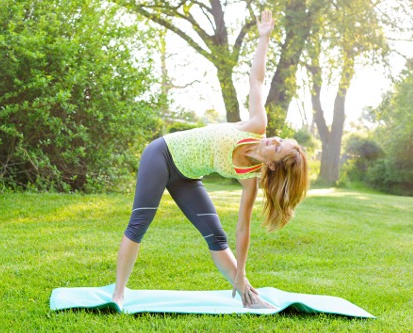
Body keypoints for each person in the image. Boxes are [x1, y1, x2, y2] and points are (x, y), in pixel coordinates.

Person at [112, 9, 309, 309]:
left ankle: (248, 296)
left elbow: (242, 229)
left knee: (216, 236)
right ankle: (118, 293)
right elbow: (256, 80)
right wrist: (264, 38)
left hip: (187, 177)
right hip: (162, 155)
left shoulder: (249, 180)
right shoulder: (255, 126)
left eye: (278, 147)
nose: (275, 139)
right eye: (280, 139)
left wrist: (242, 270)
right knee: (139, 223)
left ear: (272, 164)